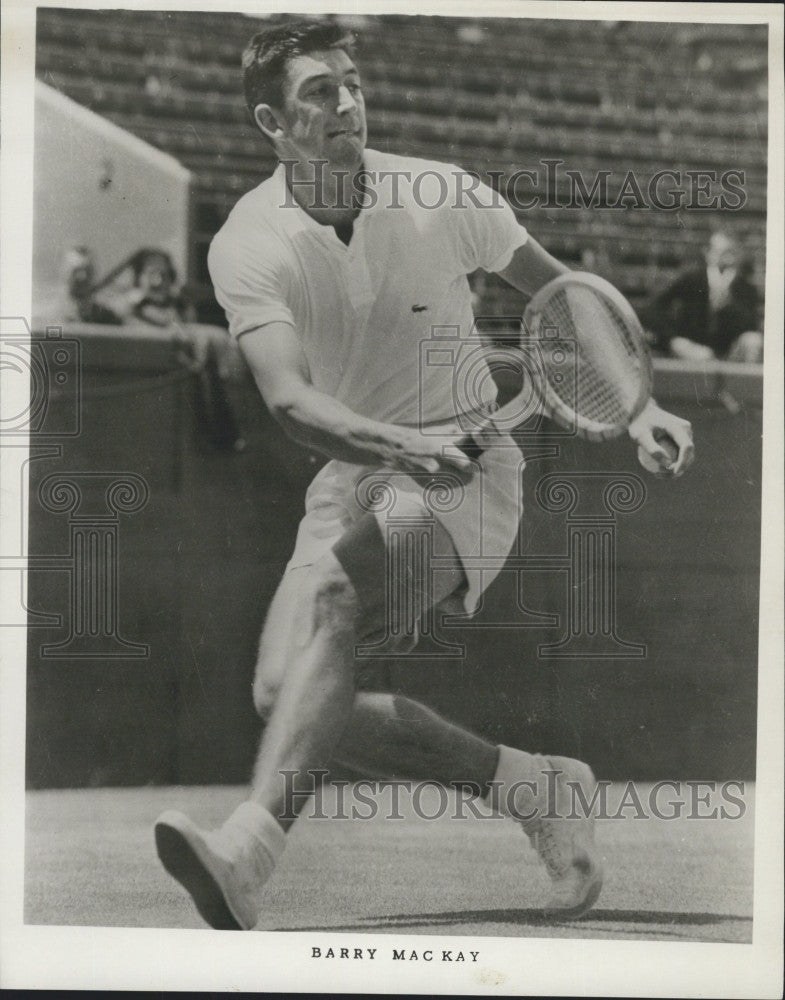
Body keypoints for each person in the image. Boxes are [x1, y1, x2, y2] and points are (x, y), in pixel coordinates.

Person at [154, 20, 695, 931]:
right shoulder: (249, 241)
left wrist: (636, 403)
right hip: (354, 471)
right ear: (271, 122)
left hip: (472, 470)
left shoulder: (439, 192)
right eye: (318, 92)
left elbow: (564, 294)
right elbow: (288, 401)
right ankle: (534, 787)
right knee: (284, 696)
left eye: (352, 84)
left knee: (336, 596)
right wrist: (389, 448)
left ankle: (249, 853)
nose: (345, 104)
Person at [643, 230, 763, 362]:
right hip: (693, 349)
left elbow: (752, 326)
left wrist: (729, 305)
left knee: (753, 340)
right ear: (707, 253)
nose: (726, 258)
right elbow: (653, 309)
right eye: (719, 252)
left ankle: (742, 382)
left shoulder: (745, 286)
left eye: (730, 252)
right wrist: (673, 340)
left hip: (731, 353)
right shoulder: (691, 279)